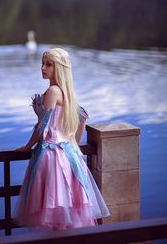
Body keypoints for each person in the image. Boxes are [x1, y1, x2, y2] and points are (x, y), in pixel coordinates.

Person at [13, 48, 110, 230]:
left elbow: (42, 126)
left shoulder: (53, 92)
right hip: (68, 153)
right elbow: (82, 116)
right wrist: (73, 142)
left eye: (48, 64)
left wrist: (27, 147)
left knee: (55, 207)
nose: (42, 68)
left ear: (59, 68)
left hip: (53, 156)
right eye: (42, 63)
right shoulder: (65, 91)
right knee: (68, 210)